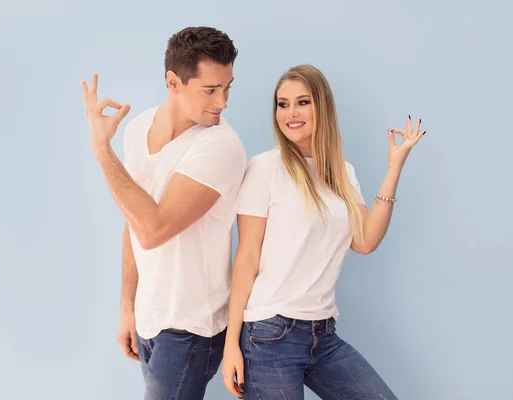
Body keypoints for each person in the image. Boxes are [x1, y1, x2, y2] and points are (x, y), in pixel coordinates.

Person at [221, 64, 425, 399]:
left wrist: (394, 167)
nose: (290, 113)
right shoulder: (264, 169)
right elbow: (246, 258)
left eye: (302, 102)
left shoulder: (342, 173)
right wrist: (232, 345)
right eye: (282, 104)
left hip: (323, 334)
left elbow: (365, 240)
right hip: (270, 334)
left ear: (322, 107)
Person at [81, 26, 247, 399]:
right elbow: (134, 218)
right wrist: (128, 307)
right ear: (174, 82)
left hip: (192, 328)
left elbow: (153, 229)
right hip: (150, 320)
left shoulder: (220, 145)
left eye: (227, 87)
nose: (222, 102)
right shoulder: (138, 128)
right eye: (210, 89)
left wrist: (101, 150)